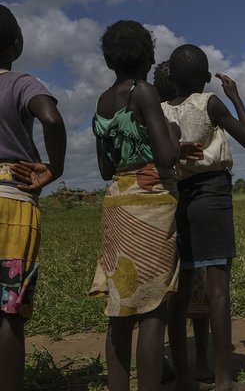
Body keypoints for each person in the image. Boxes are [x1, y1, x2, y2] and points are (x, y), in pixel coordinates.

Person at [89, 20, 181, 391]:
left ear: (110, 60)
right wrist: (173, 134)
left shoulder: (102, 101)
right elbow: (166, 155)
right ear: (148, 56)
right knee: (153, 309)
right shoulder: (145, 92)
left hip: (116, 202)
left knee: (121, 308)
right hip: (151, 204)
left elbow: (105, 168)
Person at [162, 44, 245, 391]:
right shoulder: (210, 102)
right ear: (207, 78)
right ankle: (222, 379)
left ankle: (186, 378)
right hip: (214, 197)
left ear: (169, 77)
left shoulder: (158, 111)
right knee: (217, 292)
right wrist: (234, 96)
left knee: (181, 291)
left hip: (179, 200)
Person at [0, 4, 66, 391]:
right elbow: (52, 119)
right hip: (13, 200)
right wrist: (53, 168)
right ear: (17, 44)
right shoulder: (21, 83)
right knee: (8, 310)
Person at [153, 60, 214, 384]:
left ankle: (161, 362)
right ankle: (202, 362)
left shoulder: (154, 117)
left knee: (163, 295)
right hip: (192, 205)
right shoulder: (194, 110)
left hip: (162, 211)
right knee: (198, 290)